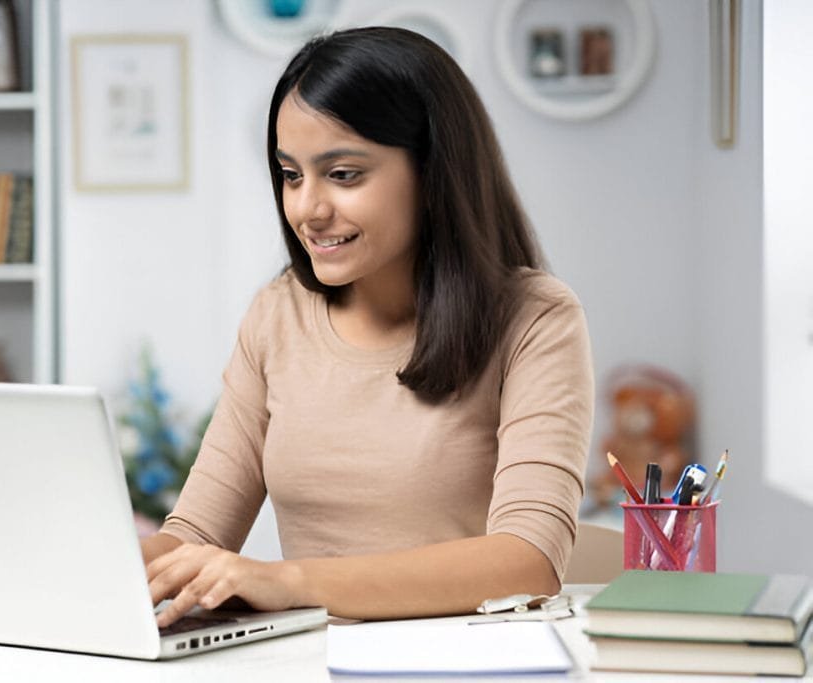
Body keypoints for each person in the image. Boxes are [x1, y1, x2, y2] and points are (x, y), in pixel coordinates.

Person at [142, 26, 593, 627]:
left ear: (434, 173)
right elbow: (194, 535)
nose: (308, 208)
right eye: (291, 175)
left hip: (464, 664)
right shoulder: (276, 315)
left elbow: (527, 561)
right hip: (305, 663)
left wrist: (288, 580)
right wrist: (76, 567)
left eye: (344, 174)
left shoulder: (535, 318)